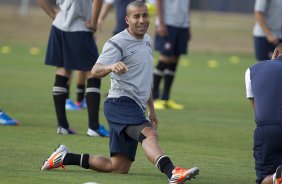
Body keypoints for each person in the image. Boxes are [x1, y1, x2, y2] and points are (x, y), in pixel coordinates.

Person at [40, 1, 199, 184]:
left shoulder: (147, 40)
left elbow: (145, 81)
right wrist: (111, 66)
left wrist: (152, 110)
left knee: (117, 167)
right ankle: (172, 172)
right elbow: (95, 70)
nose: (142, 20)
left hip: (134, 106)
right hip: (120, 103)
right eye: (136, 16)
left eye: (145, 15)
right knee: (149, 135)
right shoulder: (117, 42)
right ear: (127, 19)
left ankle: (64, 157)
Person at [37, 0, 109, 137]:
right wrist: (93, 23)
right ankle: (94, 127)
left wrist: (53, 14)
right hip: (80, 27)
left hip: (59, 26)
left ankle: (62, 126)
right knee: (94, 72)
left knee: (62, 70)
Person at [245, 43, 282, 184]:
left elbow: (257, 108)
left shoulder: (252, 70)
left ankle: (274, 179)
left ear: (276, 52)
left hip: (267, 130)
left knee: (264, 179)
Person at [152, 0, 191, 110]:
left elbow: (186, 6)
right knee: (165, 58)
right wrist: (160, 22)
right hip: (168, 23)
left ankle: (166, 98)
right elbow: (159, 2)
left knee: (175, 59)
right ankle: (154, 98)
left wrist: (188, 25)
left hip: (183, 25)